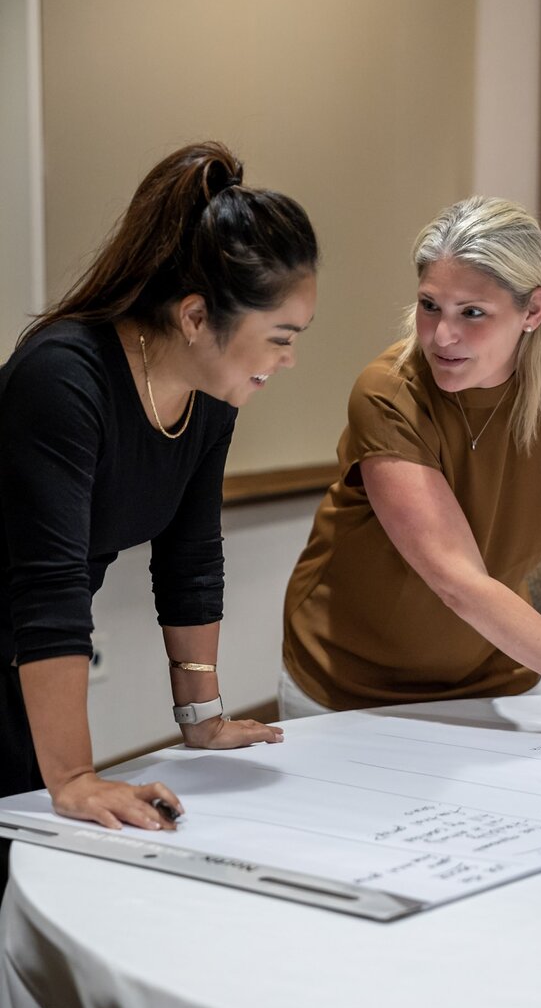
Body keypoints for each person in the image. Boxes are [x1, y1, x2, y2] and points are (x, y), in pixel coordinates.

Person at [282, 195, 541, 755]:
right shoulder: (387, 394)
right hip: (353, 684)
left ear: (532, 311)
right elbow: (461, 582)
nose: (441, 336)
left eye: (472, 313)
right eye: (430, 305)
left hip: (499, 672)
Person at [0, 141, 318, 844]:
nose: (289, 358)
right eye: (280, 336)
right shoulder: (61, 379)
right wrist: (76, 774)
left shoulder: (209, 400)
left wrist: (200, 717)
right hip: (25, 627)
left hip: (20, 657)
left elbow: (191, 558)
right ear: (197, 317)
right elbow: (48, 593)